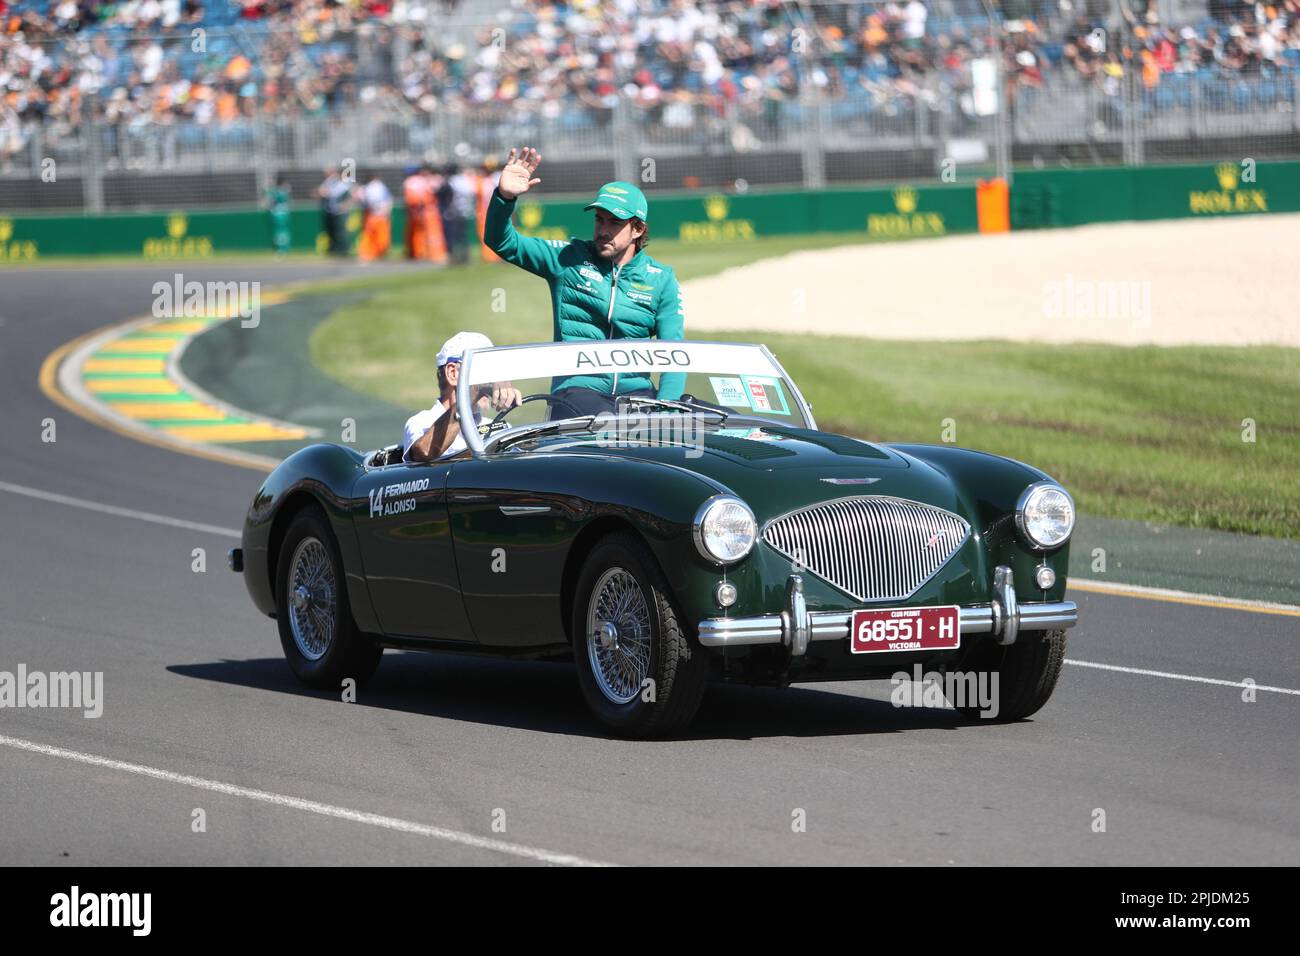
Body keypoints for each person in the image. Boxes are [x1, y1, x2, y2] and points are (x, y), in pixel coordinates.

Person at [482, 146, 686, 415]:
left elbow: (673, 354)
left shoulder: (662, 279)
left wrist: (668, 410)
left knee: (710, 422)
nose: (603, 230)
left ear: (637, 229)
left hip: (638, 394)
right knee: (607, 429)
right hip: (577, 392)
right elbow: (502, 241)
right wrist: (505, 198)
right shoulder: (567, 257)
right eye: (599, 219)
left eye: (614, 223)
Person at [403, 332, 523, 462]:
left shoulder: (499, 426)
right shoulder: (421, 422)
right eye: (484, 371)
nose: (492, 380)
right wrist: (478, 389)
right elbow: (424, 453)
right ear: (453, 373)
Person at [356, 171, 393, 263]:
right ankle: (376, 253)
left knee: (370, 235)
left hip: (373, 214)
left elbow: (364, 201)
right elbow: (388, 201)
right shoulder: (380, 187)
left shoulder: (368, 188)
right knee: (380, 236)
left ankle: (368, 253)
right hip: (379, 215)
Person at [317, 165, 351, 256]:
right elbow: (323, 191)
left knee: (341, 232)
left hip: (341, 212)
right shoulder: (331, 183)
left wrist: (343, 206)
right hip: (332, 211)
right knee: (333, 232)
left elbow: (348, 199)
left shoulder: (343, 185)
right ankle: (334, 249)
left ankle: (344, 250)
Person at [267, 173, 291, 256]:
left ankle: (282, 249)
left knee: (280, 231)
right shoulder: (285, 189)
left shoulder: (277, 191)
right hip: (285, 213)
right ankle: (285, 248)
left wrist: (270, 188)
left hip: (279, 213)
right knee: (283, 231)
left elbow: (273, 199)